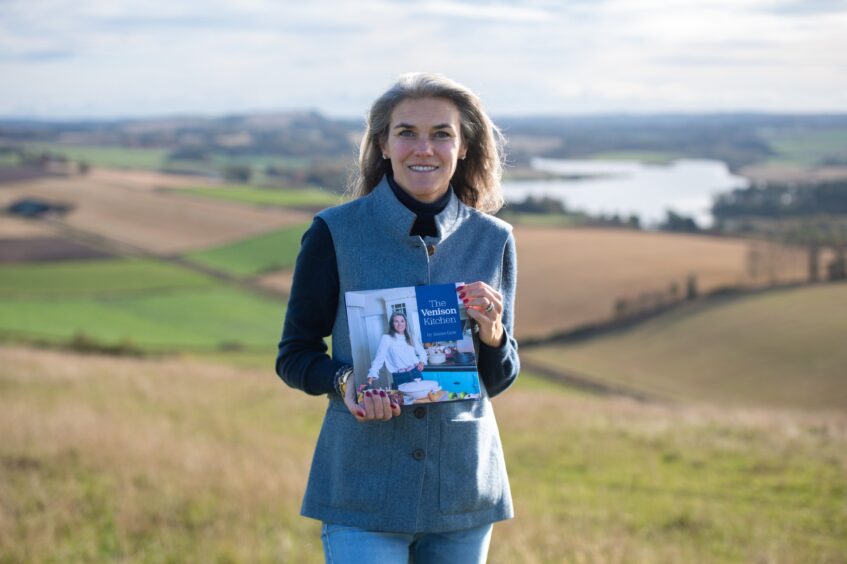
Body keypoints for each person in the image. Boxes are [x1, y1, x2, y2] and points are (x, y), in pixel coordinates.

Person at [276, 72, 519, 564]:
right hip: (362, 486)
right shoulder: (334, 233)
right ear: (383, 144)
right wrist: (344, 380)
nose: (423, 148)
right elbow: (295, 355)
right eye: (406, 131)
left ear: (465, 146)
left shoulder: (494, 240)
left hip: (463, 492)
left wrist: (494, 336)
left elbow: (497, 379)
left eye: (441, 133)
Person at [367, 312, 427, 389]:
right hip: (400, 377)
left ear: (405, 323)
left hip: (415, 373)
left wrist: (422, 362)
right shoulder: (386, 338)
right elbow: (379, 358)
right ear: (392, 324)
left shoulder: (411, 337)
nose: (400, 324)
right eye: (396, 321)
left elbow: (422, 353)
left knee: (421, 399)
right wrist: (372, 374)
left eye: (402, 321)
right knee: (404, 400)